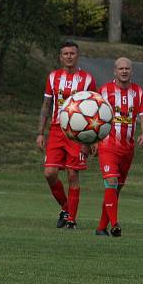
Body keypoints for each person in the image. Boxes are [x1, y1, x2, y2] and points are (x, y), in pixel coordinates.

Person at [36, 41, 97, 229]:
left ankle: (71, 220)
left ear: (77, 56)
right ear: (60, 57)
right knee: (49, 173)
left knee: (72, 175)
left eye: (72, 53)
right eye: (65, 53)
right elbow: (46, 105)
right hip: (56, 130)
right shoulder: (53, 77)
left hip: (78, 134)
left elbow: (95, 109)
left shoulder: (87, 79)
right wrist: (40, 132)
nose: (69, 56)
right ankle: (66, 207)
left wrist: (92, 139)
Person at [94, 57, 143, 237]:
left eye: (127, 68)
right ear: (114, 71)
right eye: (121, 68)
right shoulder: (104, 91)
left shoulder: (138, 92)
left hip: (127, 148)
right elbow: (92, 115)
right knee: (111, 182)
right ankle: (115, 224)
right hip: (107, 145)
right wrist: (94, 140)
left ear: (131, 71)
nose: (124, 71)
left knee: (115, 188)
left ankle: (101, 227)